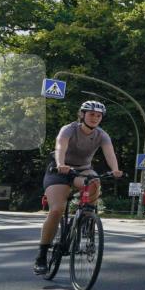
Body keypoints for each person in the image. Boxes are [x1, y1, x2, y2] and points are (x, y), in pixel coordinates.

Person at [34, 101, 123, 275]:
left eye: (98, 116)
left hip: (82, 170)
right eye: (91, 114)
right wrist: (61, 164)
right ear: (82, 115)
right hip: (60, 170)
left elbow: (110, 153)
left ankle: (87, 220)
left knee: (94, 180)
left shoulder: (102, 135)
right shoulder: (69, 129)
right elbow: (60, 146)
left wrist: (115, 170)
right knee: (57, 210)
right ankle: (42, 255)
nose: (95, 118)